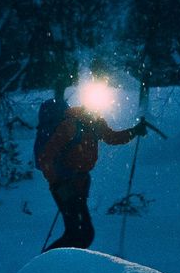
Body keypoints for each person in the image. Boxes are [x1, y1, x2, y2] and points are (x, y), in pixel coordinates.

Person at [34, 79, 149, 251]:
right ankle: (47, 262)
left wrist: (134, 131)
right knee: (80, 234)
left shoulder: (94, 124)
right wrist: (57, 183)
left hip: (78, 183)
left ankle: (56, 261)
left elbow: (112, 138)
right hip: (65, 185)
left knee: (80, 233)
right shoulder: (70, 126)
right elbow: (45, 157)